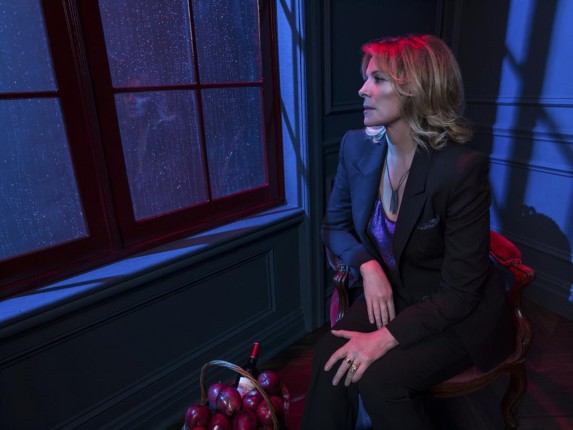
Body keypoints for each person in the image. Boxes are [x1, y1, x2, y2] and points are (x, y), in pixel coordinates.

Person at [301, 34, 514, 429]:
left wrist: (381, 339)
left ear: (417, 89)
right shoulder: (356, 147)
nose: (362, 89)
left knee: (382, 380)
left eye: (378, 79)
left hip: (455, 312)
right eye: (366, 78)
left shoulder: (461, 169)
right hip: (397, 294)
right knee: (330, 355)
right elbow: (334, 226)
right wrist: (367, 266)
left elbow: (460, 294)